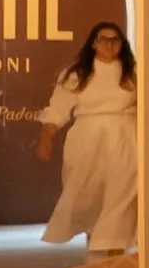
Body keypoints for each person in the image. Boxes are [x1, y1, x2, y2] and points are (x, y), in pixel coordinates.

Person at [37, 19, 140, 250]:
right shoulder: (77, 74)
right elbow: (59, 107)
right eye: (104, 39)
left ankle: (113, 249)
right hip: (86, 138)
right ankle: (95, 245)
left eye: (115, 40)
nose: (110, 45)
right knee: (88, 194)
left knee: (121, 192)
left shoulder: (133, 73)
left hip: (123, 137)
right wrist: (45, 139)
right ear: (94, 43)